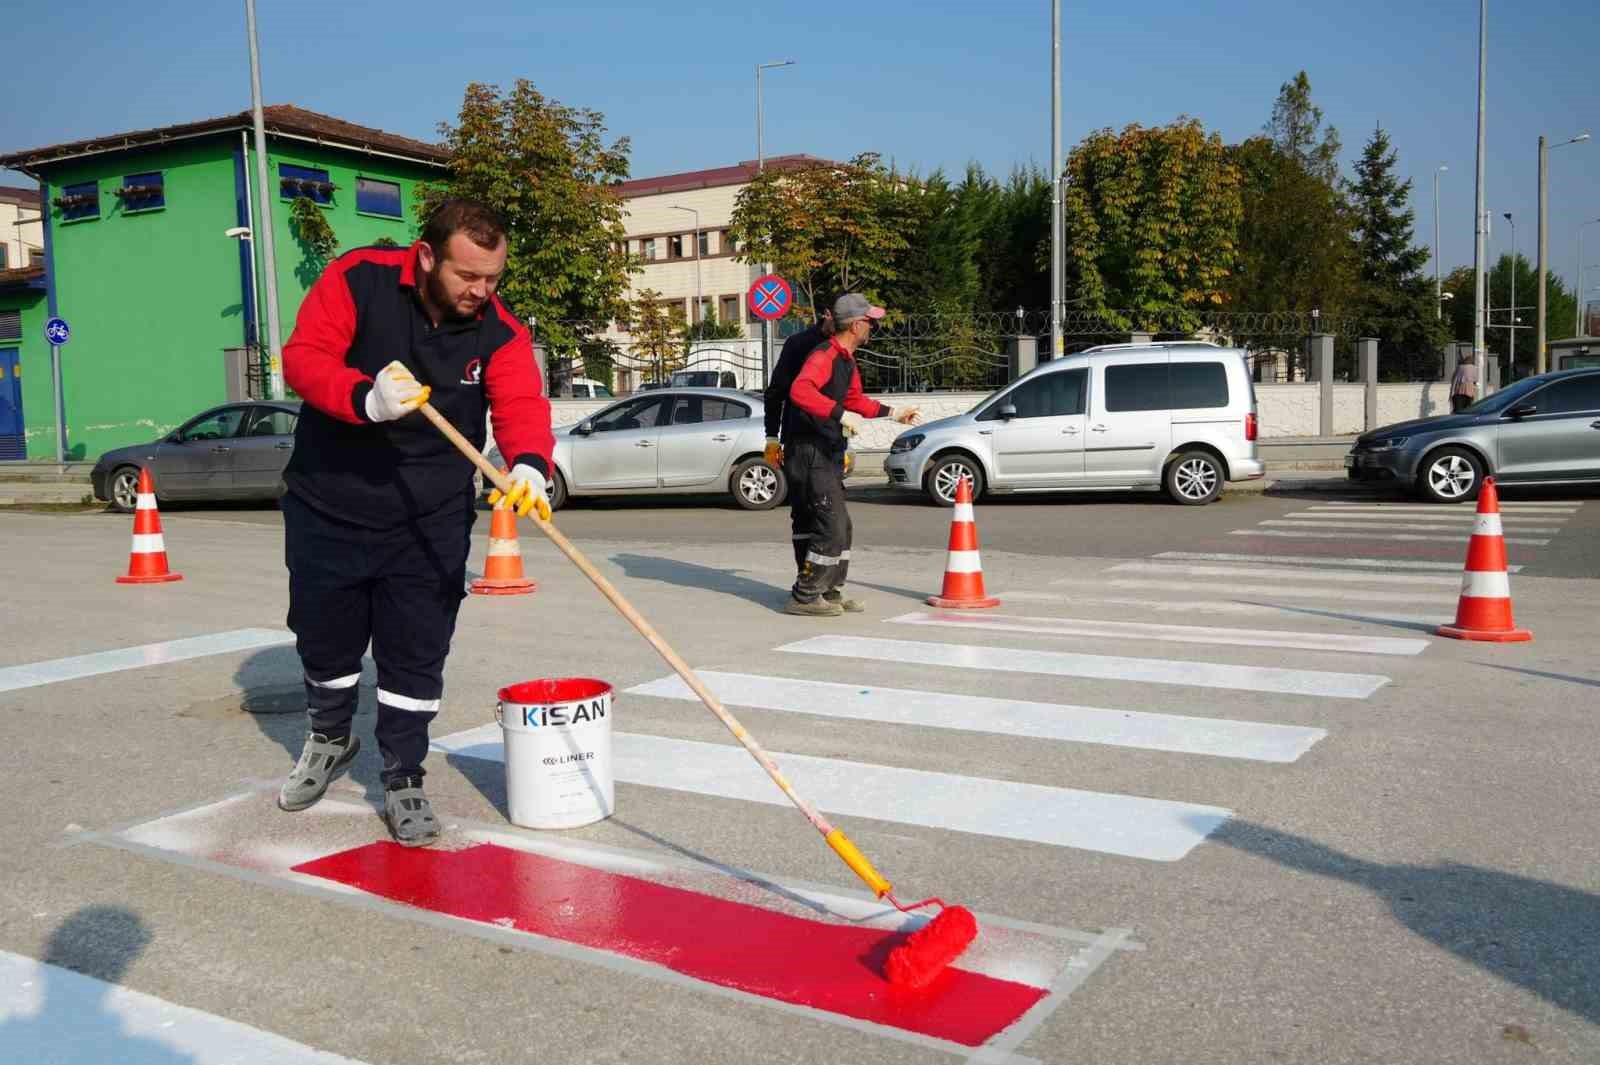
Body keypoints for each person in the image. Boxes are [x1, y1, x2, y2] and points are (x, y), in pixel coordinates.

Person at [276, 199, 555, 846]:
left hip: (429, 517)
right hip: (330, 503)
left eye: (493, 278)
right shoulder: (358, 277)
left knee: (415, 650)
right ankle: (329, 735)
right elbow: (305, 355)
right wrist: (362, 397)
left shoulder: (500, 330)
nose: (482, 292)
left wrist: (531, 465)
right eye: (468, 277)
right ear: (427, 256)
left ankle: (403, 776)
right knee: (326, 642)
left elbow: (519, 400)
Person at [783, 293, 919, 616]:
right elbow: (799, 390)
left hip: (826, 449)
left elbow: (855, 398)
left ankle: (829, 590)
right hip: (809, 449)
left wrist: (893, 412)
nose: (873, 326)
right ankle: (805, 596)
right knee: (829, 525)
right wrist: (838, 415)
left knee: (841, 526)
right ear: (856, 324)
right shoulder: (825, 355)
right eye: (870, 321)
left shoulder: (846, 359)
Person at [764, 297, 836, 578]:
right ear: (828, 313)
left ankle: (828, 586)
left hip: (830, 442)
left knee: (833, 518)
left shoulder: (844, 349)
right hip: (800, 441)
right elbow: (776, 392)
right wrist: (772, 436)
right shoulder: (799, 344)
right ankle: (806, 582)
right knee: (806, 514)